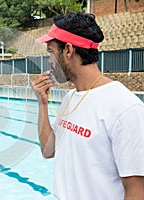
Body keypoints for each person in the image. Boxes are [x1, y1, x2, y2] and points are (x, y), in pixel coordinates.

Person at [32, 12, 144, 200]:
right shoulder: (70, 98)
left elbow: (137, 190)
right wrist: (42, 103)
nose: (49, 61)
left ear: (68, 50)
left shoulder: (125, 108)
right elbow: (48, 151)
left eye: (50, 52)